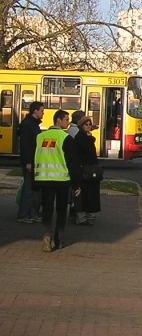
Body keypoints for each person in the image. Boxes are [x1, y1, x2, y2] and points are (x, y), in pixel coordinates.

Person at [33, 109, 82, 252]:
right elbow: (73, 163)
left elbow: (34, 157)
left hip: (44, 178)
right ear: (58, 121)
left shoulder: (40, 137)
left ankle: (46, 237)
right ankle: (59, 240)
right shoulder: (65, 138)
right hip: (62, 180)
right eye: (66, 119)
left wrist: (34, 180)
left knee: (47, 210)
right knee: (61, 210)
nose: (68, 122)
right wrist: (77, 183)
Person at [17, 101, 44, 223]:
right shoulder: (27, 125)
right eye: (42, 111)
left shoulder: (33, 124)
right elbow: (26, 145)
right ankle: (23, 215)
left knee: (34, 188)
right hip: (30, 161)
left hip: (35, 160)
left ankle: (33, 213)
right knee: (28, 188)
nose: (43, 113)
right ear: (35, 111)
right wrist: (28, 161)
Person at [73, 115, 101, 225]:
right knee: (83, 193)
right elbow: (87, 150)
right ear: (81, 125)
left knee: (91, 192)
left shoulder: (87, 136)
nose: (88, 126)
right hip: (84, 168)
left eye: (90, 124)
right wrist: (91, 139)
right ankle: (82, 216)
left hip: (90, 168)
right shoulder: (80, 137)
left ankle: (89, 214)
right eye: (86, 124)